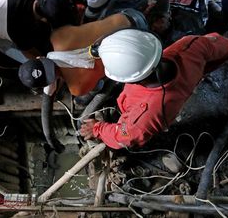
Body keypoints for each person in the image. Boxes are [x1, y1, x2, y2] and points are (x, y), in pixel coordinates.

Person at [79, 29, 228, 149]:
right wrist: (202, 70)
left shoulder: (145, 116)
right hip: (180, 89)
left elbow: (123, 137)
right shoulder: (190, 45)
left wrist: (98, 129)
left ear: (132, 79)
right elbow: (227, 47)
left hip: (140, 116)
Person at [18, 9, 148, 153]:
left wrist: (54, 87)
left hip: (139, 50)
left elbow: (98, 85)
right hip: (132, 17)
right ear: (38, 58)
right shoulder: (57, 36)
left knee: (94, 88)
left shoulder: (76, 88)